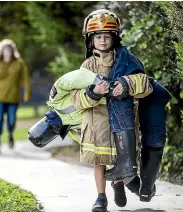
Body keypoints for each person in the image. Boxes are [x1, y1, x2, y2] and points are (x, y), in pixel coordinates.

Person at [71, 9, 153, 212]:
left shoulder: (126, 61)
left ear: (115, 38)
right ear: (90, 40)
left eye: (107, 36)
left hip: (121, 125)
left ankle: (118, 182)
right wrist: (94, 93)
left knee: (119, 158)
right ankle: (100, 198)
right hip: (97, 124)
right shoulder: (87, 66)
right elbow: (76, 98)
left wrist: (126, 84)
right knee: (99, 161)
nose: (102, 41)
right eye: (98, 36)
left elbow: (146, 85)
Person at [0, 39, 31, 154]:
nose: (7, 52)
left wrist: (27, 93)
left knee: (11, 120)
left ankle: (10, 134)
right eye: (5, 50)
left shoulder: (19, 63)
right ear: (1, 51)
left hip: (13, 97)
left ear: (13, 51)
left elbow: (26, 79)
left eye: (9, 50)